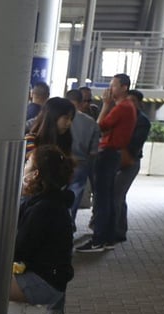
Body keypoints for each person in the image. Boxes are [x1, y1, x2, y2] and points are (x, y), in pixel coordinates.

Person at [11, 145, 75, 314]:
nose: (23, 166)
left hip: (42, 284)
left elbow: (19, 250)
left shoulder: (44, 208)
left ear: (35, 174)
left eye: (28, 163)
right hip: (51, 281)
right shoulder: (48, 201)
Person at [77, 73, 136, 253]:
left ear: (124, 87)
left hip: (108, 154)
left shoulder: (121, 107)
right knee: (108, 198)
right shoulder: (128, 106)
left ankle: (98, 239)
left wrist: (105, 105)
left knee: (102, 199)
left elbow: (98, 127)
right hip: (113, 155)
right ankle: (108, 238)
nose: (109, 90)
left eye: (113, 85)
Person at [112, 89, 151, 243]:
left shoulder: (142, 121)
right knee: (119, 196)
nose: (129, 104)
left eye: (133, 101)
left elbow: (134, 144)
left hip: (129, 162)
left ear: (139, 103)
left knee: (117, 196)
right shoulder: (124, 116)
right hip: (117, 160)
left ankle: (115, 231)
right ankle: (119, 230)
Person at [64, 89, 100, 224]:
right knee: (74, 196)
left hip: (60, 162)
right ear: (80, 103)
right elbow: (93, 152)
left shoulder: (58, 117)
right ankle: (69, 224)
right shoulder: (91, 123)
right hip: (81, 164)